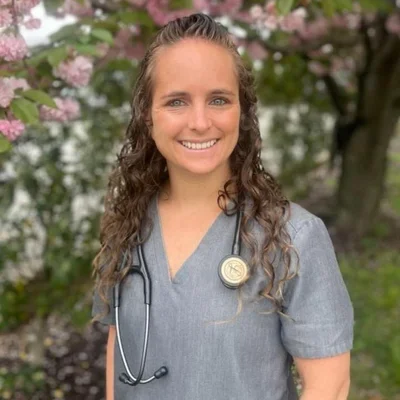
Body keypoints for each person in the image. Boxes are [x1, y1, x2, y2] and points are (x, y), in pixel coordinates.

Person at [91, 13, 354, 400]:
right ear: (148, 117)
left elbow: (329, 386)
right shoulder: (127, 223)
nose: (200, 122)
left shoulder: (293, 237)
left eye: (218, 100)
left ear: (241, 111)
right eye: (176, 101)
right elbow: (120, 346)